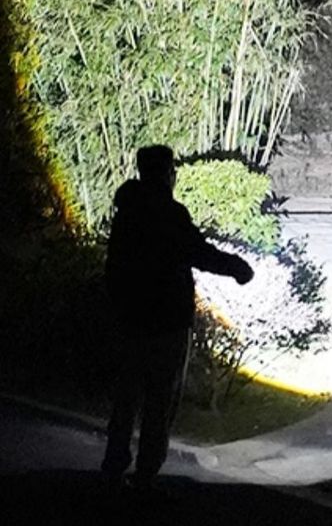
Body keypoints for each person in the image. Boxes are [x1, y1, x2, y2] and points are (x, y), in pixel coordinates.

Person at [100, 144, 254, 492]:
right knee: (159, 400)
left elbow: (115, 269)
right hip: (166, 321)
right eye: (172, 169)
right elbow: (197, 251)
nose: (174, 175)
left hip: (129, 319)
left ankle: (114, 466)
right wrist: (236, 267)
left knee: (126, 399)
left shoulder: (127, 212)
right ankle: (145, 474)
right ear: (166, 173)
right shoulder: (168, 213)